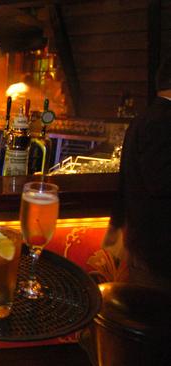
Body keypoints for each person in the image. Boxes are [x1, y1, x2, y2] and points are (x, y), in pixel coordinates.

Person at [103, 56, 171, 294]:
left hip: (146, 245)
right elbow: (160, 183)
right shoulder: (162, 121)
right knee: (157, 322)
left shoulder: (148, 118)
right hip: (158, 251)